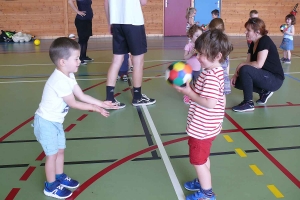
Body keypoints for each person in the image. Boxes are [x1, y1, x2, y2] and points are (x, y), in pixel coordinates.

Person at [33, 37, 119, 199]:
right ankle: (50, 186)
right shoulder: (59, 80)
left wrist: (101, 102)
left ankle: (59, 176)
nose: (79, 61)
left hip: (55, 122)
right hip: (46, 123)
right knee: (52, 155)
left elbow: (81, 94)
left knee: (60, 150)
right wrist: (95, 108)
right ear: (62, 62)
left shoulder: (68, 75)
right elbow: (73, 102)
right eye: (76, 58)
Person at [173, 29, 233, 200]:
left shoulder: (212, 77)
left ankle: (207, 193)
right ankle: (202, 181)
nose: (198, 57)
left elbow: (210, 103)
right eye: (198, 53)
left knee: (198, 161)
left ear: (217, 56)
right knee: (203, 158)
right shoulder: (212, 71)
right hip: (207, 127)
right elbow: (202, 94)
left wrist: (189, 93)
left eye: (202, 54)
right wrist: (187, 89)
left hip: (202, 129)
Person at [104, 0, 156, 108]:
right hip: (133, 22)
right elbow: (143, 2)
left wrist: (110, 22)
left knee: (116, 60)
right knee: (138, 61)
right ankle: (137, 97)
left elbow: (106, 2)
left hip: (117, 23)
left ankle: (109, 99)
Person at [231, 18, 285, 112]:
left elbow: (259, 64)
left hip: (275, 79)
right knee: (238, 81)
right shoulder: (253, 44)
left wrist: (241, 65)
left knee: (245, 69)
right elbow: (248, 62)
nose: (245, 32)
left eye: (248, 30)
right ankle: (264, 92)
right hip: (264, 76)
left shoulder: (265, 40)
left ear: (257, 32)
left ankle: (248, 103)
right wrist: (236, 74)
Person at [208, 18, 231, 104]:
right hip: (223, 74)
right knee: (222, 95)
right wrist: (227, 74)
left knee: (212, 94)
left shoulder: (211, 43)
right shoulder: (225, 42)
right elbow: (228, 60)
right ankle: (221, 110)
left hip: (214, 73)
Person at [68, 0, 94, 65]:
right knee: (82, 40)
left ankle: (84, 56)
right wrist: (77, 11)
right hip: (81, 21)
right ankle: (79, 58)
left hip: (87, 20)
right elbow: (70, 1)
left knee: (85, 39)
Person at [183, 24, 203, 104]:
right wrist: (191, 53)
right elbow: (185, 57)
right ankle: (186, 96)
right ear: (191, 36)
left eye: (200, 36)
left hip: (197, 69)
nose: (199, 38)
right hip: (188, 69)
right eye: (197, 36)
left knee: (196, 84)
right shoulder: (188, 46)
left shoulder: (201, 46)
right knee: (187, 84)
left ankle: (194, 96)